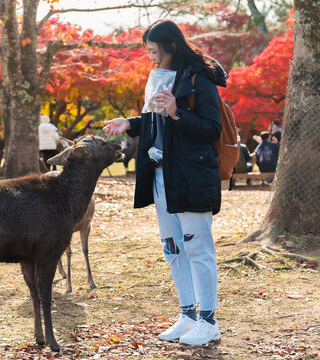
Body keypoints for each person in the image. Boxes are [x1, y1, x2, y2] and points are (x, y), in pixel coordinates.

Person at [103, 19, 224, 346]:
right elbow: (155, 120)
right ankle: (188, 314)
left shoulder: (200, 80)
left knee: (197, 247)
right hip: (161, 175)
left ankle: (208, 320)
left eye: (154, 51)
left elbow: (212, 129)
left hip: (191, 177)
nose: (151, 58)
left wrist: (176, 113)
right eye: (148, 52)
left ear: (171, 47)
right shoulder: (159, 78)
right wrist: (129, 122)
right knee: (173, 248)